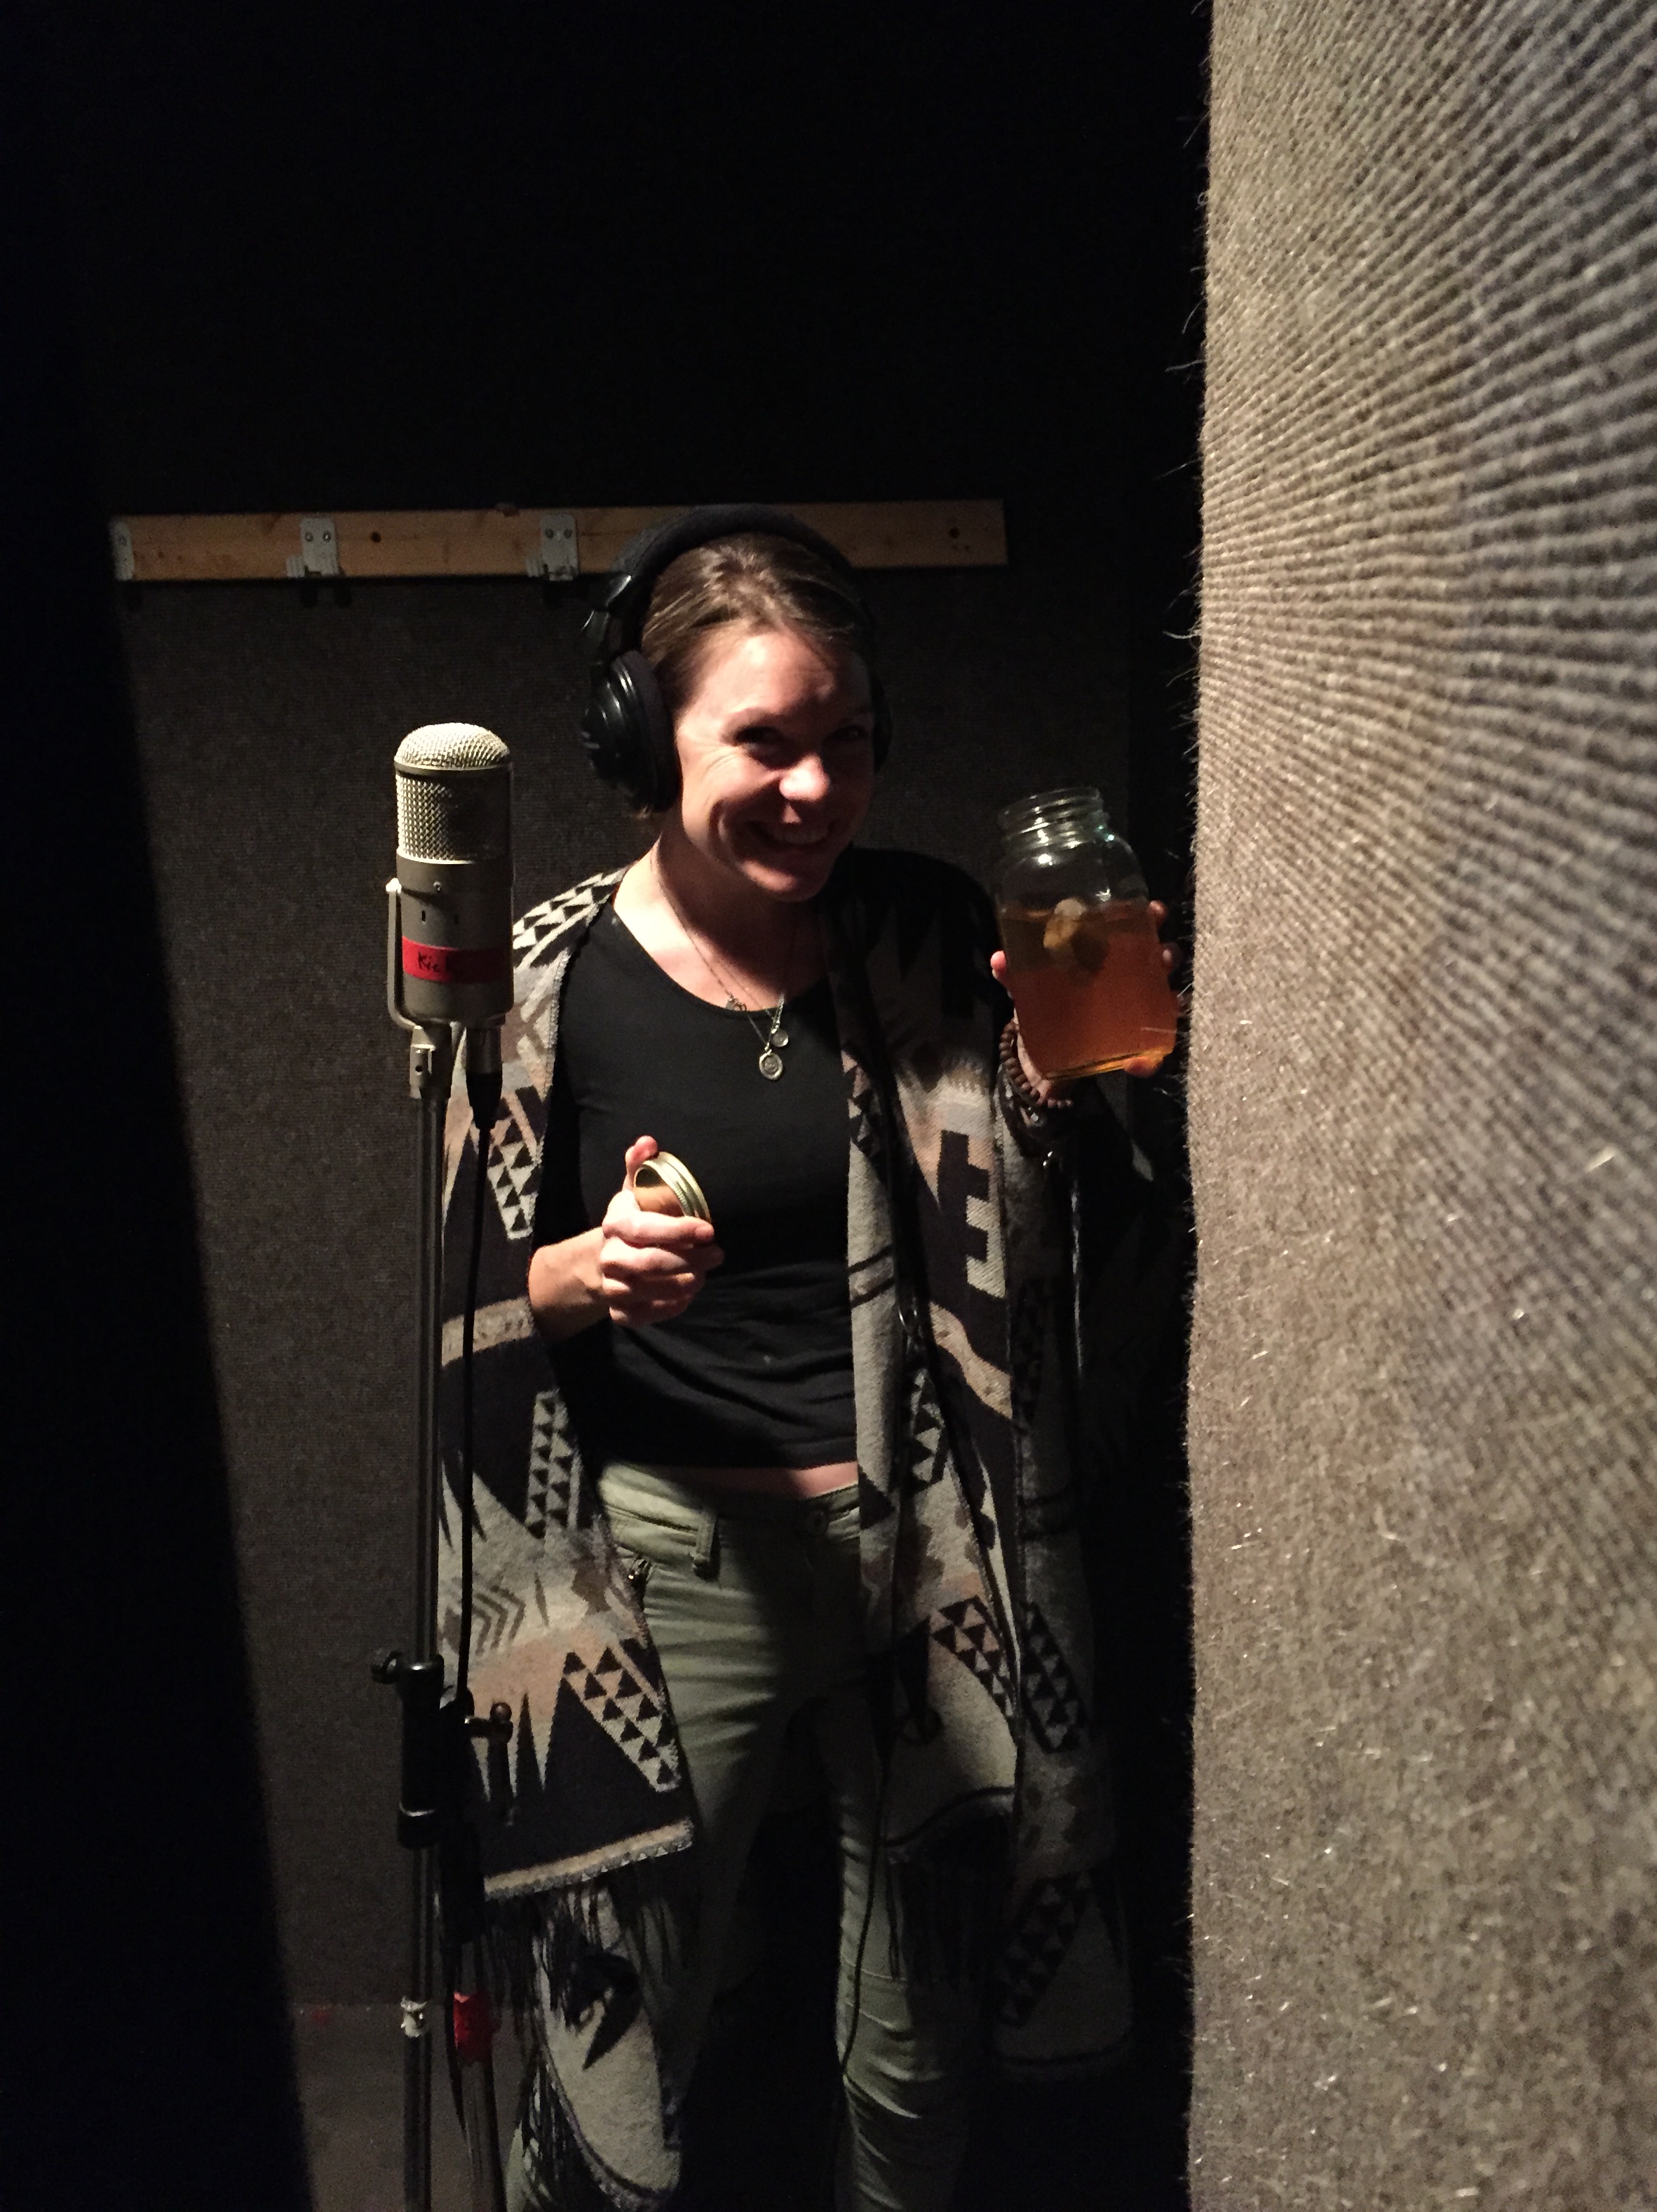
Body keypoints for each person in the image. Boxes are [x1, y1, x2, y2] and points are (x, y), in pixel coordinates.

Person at [440, 507, 1170, 2212]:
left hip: (926, 1560)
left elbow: (1023, 1240)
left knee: (918, 2059)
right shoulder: (543, 980)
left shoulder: (919, 929)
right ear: (646, 742)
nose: (817, 787)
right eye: (766, 742)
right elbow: (465, 1297)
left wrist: (1055, 1095)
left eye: (847, 741)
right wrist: (581, 1270)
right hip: (674, 1573)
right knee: (630, 2037)